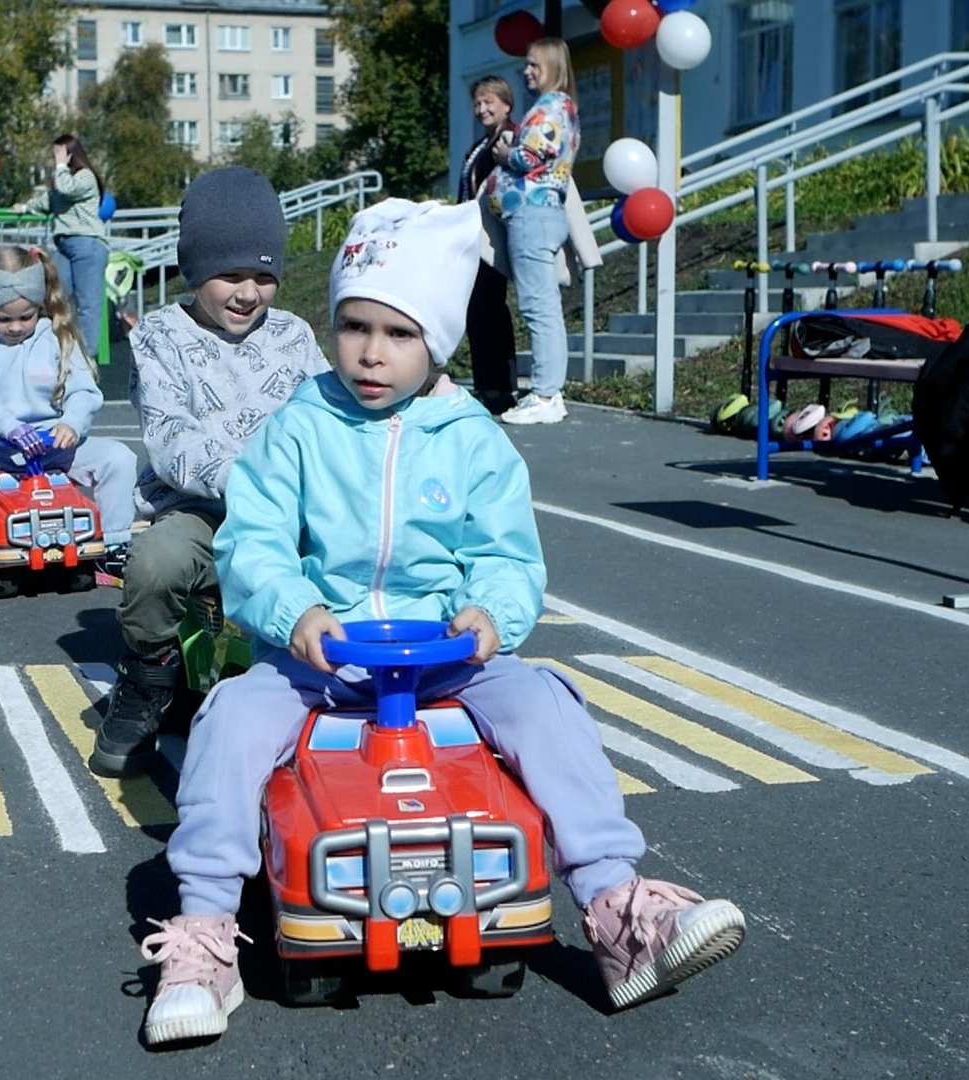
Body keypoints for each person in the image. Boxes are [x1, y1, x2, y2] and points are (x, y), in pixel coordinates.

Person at [136, 199, 745, 1045]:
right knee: (231, 718)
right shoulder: (299, 428)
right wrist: (296, 610)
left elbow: (505, 555)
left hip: (446, 657)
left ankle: (616, 910)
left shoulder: (471, 437)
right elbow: (255, 544)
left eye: (400, 333)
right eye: (354, 327)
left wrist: (489, 616)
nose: (372, 353)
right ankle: (204, 933)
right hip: (322, 659)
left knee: (544, 703)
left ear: (438, 344)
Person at [87, 166, 329, 778]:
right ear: (195, 271)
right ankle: (146, 676)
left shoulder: (295, 336)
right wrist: (255, 482)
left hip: (292, 506)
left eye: (264, 276)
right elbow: (172, 441)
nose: (249, 293)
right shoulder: (160, 338)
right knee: (155, 563)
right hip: (202, 506)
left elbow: (333, 412)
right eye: (231, 276)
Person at [0, 244, 138, 606]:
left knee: (119, 458)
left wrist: (72, 424)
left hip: (54, 449)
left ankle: (115, 546)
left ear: (39, 306)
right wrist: (9, 427)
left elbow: (84, 390)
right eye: (4, 319)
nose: (15, 327)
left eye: (25, 317)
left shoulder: (57, 337)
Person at [484, 38, 580, 426]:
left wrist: (506, 154)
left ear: (552, 65)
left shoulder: (549, 106)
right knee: (542, 307)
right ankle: (546, 390)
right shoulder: (563, 107)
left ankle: (546, 394)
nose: (526, 71)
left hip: (532, 214)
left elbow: (529, 156)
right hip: (540, 214)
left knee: (539, 308)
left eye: (533, 65)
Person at [11, 135, 110, 361]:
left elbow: (66, 189)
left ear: (71, 154)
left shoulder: (85, 177)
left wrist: (61, 166)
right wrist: (25, 207)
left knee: (88, 304)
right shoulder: (61, 178)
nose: (55, 158)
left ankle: (88, 357)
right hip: (64, 244)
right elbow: (49, 201)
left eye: (59, 153)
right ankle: (60, 348)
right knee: (56, 298)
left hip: (87, 243)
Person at [458, 76, 521, 416]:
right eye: (478, 104)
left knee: (491, 308)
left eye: (489, 102)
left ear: (506, 104)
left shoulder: (510, 139)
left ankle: (502, 386)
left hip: (493, 238)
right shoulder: (480, 146)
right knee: (478, 310)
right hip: (473, 238)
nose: (482, 109)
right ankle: (487, 384)